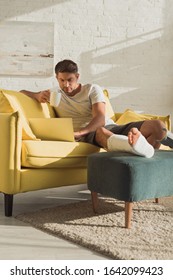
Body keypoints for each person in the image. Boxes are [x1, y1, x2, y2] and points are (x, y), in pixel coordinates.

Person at [20, 59, 173, 158]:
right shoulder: (54, 94)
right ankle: (141, 147)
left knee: (158, 126)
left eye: (70, 80)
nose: (66, 85)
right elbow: (21, 93)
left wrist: (79, 132)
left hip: (106, 127)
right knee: (101, 132)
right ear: (56, 78)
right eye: (61, 80)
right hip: (92, 135)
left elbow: (100, 118)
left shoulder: (92, 89)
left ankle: (143, 149)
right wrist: (37, 95)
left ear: (77, 77)